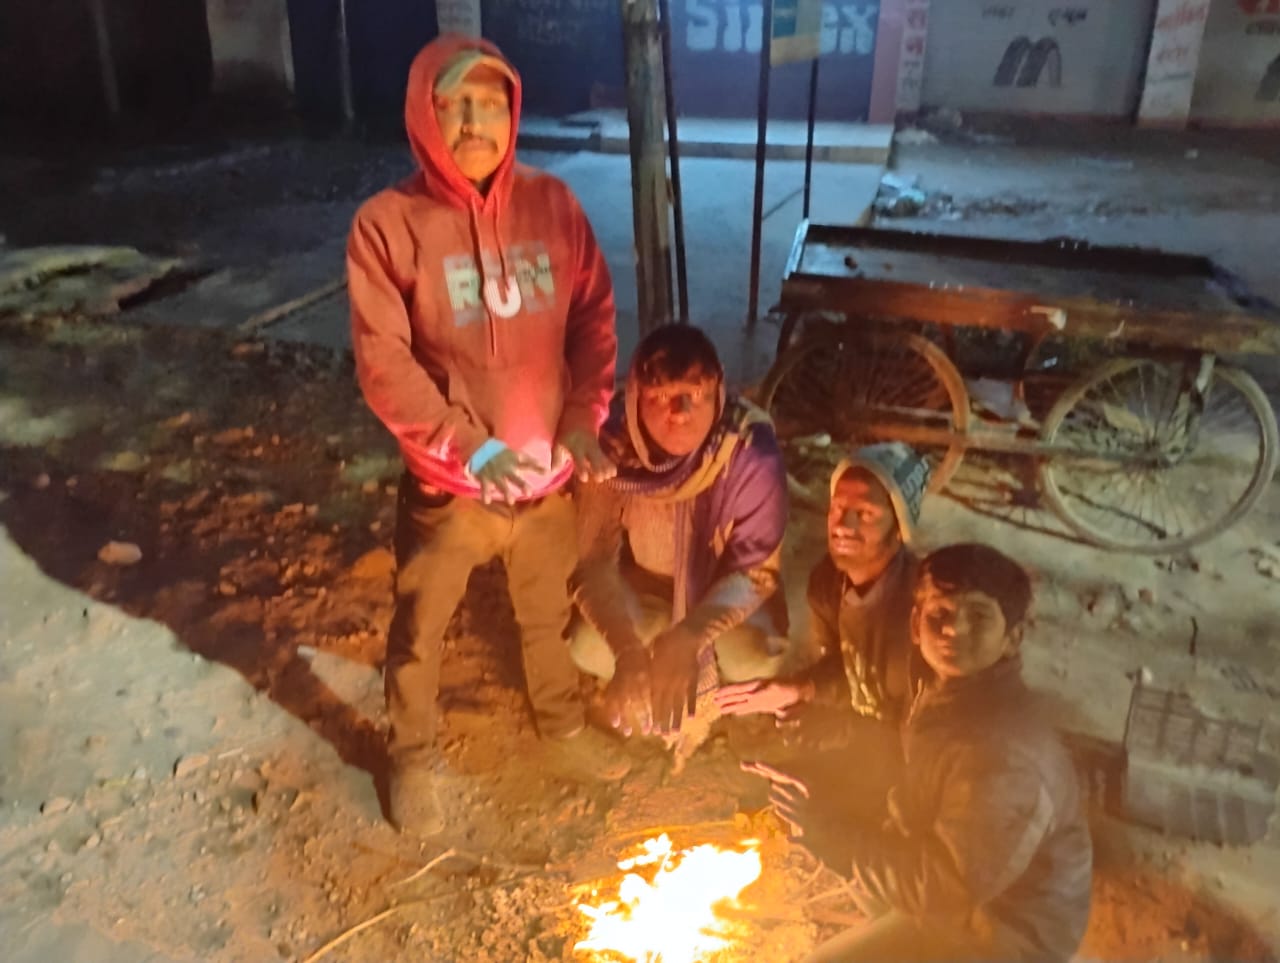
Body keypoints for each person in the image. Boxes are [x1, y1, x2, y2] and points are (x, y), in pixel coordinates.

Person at [346, 34, 627, 837]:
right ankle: (412, 756)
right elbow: (384, 364)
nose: (476, 123)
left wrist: (582, 419)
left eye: (492, 104)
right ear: (424, 114)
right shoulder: (387, 226)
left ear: (514, 113)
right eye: (456, 105)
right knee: (421, 629)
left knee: (545, 615)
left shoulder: (554, 206)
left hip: (545, 483)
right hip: (451, 488)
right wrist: (467, 445)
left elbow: (593, 321)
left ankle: (562, 726)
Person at [749, 544, 1093, 963]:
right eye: (939, 614)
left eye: (978, 617)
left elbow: (943, 888)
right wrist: (822, 777)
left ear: (1012, 638)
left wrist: (833, 836)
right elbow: (901, 758)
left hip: (1003, 934)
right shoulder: (946, 692)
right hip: (960, 896)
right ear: (915, 625)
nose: (953, 630)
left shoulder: (1004, 755)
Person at [570, 323, 790, 769]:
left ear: (718, 393)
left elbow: (756, 572)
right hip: (648, 587)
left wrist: (692, 635)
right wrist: (627, 648)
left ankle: (694, 682)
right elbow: (594, 563)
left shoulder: (750, 451)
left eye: (696, 394)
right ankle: (652, 664)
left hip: (721, 591)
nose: (680, 412)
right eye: (660, 396)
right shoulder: (610, 446)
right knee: (587, 647)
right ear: (635, 397)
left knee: (753, 660)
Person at [716, 443, 931, 745]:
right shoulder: (827, 584)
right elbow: (845, 671)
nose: (843, 526)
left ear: (898, 528)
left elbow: (923, 724)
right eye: (838, 509)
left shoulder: (924, 605)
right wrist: (798, 691)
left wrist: (841, 734)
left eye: (865, 514)